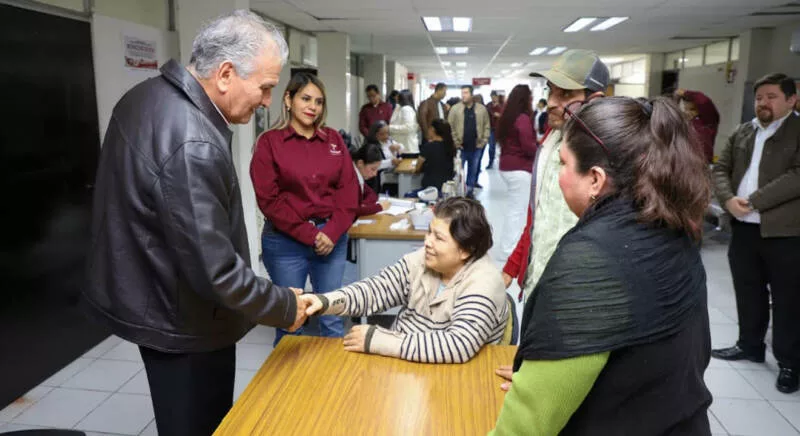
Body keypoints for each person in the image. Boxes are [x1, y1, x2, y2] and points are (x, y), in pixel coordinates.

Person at [82, 11, 307, 436]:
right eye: (265, 88)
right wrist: (285, 305)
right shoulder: (193, 141)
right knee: (199, 425)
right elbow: (216, 271)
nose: (266, 102)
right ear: (225, 74)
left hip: (153, 291)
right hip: (184, 320)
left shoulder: (144, 96)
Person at [491, 96, 713, 435]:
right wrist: (540, 377)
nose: (558, 178)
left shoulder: (590, 262)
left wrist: (537, 393)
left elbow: (525, 427)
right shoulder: (674, 229)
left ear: (595, 179)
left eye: (563, 164)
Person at [301, 197, 508, 363]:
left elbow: (457, 345)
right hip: (403, 363)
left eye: (438, 238)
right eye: (429, 232)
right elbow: (376, 290)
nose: (427, 242)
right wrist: (325, 301)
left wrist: (379, 341)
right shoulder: (424, 260)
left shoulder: (484, 282)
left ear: (465, 250)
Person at [250, 72, 359, 346]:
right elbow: (269, 200)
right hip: (285, 243)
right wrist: (311, 235)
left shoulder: (333, 140)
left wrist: (331, 233)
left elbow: (349, 192)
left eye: (319, 102)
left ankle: (333, 385)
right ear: (288, 100)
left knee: (332, 318)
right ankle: (290, 388)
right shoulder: (269, 142)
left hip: (331, 240)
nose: (313, 107)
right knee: (290, 323)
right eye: (306, 99)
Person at [710, 73, 800, 394]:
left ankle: (790, 362)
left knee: (788, 299)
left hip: (785, 232)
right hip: (744, 228)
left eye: (772, 96)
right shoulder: (744, 131)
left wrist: (754, 200)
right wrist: (727, 200)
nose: (763, 102)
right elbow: (720, 167)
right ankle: (749, 345)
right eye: (760, 97)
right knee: (748, 290)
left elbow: (797, 176)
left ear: (792, 99)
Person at [501, 50, 609, 300]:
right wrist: (512, 266)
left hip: (580, 291)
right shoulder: (550, 142)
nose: (551, 102)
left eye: (566, 94)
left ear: (594, 99)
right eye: (551, 91)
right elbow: (536, 217)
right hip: (538, 282)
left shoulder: (608, 154)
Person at [497, 85, 537, 260]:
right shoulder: (523, 119)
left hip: (507, 166)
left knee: (514, 208)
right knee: (517, 210)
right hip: (519, 168)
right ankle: (509, 250)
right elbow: (528, 147)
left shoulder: (509, 117)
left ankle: (508, 247)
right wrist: (540, 148)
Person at [448, 85, 490, 198]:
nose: (463, 95)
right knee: (457, 172)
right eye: (462, 93)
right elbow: (449, 126)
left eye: (466, 93)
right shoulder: (455, 109)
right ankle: (457, 194)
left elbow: (487, 126)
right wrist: (455, 141)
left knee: (473, 171)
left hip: (476, 147)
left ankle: (470, 192)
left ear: (472, 94)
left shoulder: (481, 109)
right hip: (460, 147)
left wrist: (484, 140)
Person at [676, 88, 720, 164]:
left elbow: (703, 101)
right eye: (686, 109)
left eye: (692, 109)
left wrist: (686, 93)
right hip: (684, 163)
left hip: (702, 163)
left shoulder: (708, 121)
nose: (688, 112)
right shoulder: (684, 122)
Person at [351, 143, 392, 216]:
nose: (375, 174)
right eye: (373, 169)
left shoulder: (359, 176)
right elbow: (353, 210)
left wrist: (364, 205)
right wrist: (379, 207)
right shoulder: (349, 178)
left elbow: (372, 194)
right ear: (360, 163)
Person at [419, 118, 456, 192]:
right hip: (447, 186)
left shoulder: (428, 146)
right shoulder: (451, 146)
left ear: (433, 130)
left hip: (430, 187)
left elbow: (417, 167)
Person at [389, 89, 420, 154]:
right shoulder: (399, 108)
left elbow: (408, 127)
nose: (396, 98)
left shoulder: (406, 109)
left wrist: (389, 128)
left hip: (407, 147)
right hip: (401, 146)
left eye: (398, 96)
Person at [485, 91, 504, 170]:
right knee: (491, 147)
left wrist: (500, 116)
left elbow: (506, 116)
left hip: (501, 129)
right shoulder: (488, 105)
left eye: (495, 97)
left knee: (503, 147)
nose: (493, 98)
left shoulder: (502, 105)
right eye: (492, 97)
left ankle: (503, 163)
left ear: (497, 97)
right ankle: (491, 162)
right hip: (491, 129)